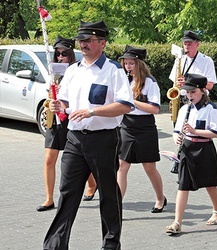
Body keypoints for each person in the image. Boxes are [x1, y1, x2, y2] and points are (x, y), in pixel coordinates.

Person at [43, 20, 134, 249]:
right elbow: (64, 101)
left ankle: (110, 244)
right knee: (67, 194)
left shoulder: (113, 70)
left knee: (108, 195)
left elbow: (125, 105)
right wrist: (58, 106)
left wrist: (92, 111)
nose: (83, 45)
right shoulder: (73, 70)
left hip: (103, 139)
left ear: (102, 43)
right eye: (81, 41)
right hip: (74, 139)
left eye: (88, 40)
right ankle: (55, 245)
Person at [37, 36, 96, 212]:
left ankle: (92, 184)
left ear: (70, 54)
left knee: (82, 158)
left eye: (64, 53)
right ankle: (49, 198)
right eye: (58, 54)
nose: (60, 57)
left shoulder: (78, 71)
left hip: (71, 119)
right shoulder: (52, 72)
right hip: (54, 120)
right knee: (49, 159)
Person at [165, 73, 217, 235]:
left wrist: (195, 131)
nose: (190, 96)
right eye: (188, 93)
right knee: (183, 185)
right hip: (188, 148)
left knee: (209, 183)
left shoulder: (211, 108)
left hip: (204, 148)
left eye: (193, 92)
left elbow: (215, 133)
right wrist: (176, 136)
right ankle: (177, 222)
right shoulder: (185, 109)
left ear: (203, 91)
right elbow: (176, 130)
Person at [116, 45, 167, 212]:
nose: (128, 67)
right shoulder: (124, 80)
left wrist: (132, 100)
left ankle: (160, 198)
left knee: (149, 166)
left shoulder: (150, 82)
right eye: (126, 63)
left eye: (131, 63)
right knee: (122, 165)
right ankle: (117, 202)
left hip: (145, 126)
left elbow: (154, 108)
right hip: (127, 125)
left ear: (139, 64)